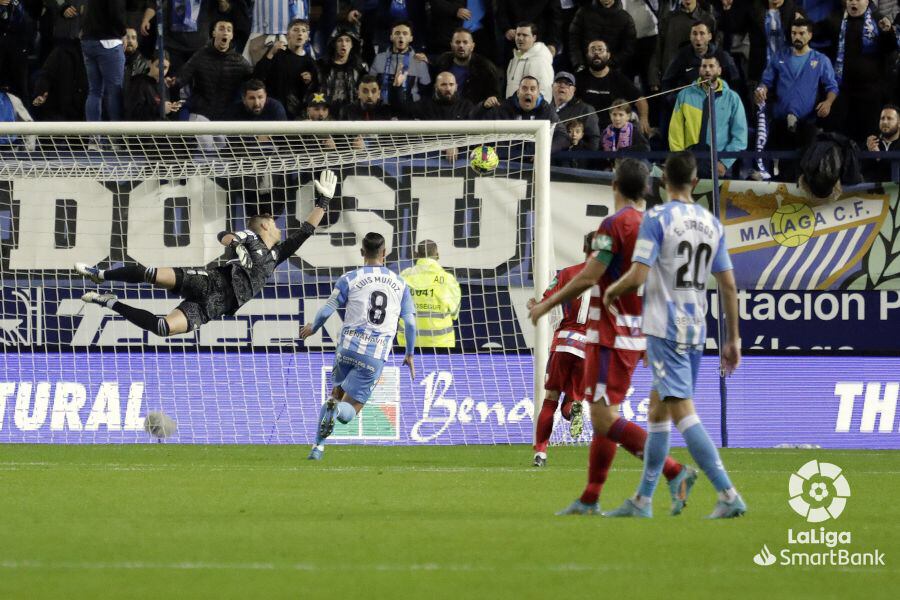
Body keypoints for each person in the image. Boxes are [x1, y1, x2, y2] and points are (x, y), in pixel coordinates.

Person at [529, 159, 696, 515]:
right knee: (603, 417)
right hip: (637, 335)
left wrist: (546, 307)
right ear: (648, 189)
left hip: (611, 336)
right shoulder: (655, 226)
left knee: (604, 419)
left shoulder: (611, 225)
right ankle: (590, 498)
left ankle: (675, 470)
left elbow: (591, 276)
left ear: (614, 185)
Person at [601, 151, 746, 519]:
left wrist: (611, 291)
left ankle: (728, 493)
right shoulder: (711, 223)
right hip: (695, 328)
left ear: (663, 181)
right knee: (657, 410)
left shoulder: (657, 218)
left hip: (666, 328)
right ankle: (643, 500)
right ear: (696, 182)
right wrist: (733, 338)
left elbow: (637, 274)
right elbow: (728, 285)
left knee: (682, 412)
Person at [75, 171, 337, 337]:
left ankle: (108, 302)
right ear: (266, 224)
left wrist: (323, 202)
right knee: (151, 274)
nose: (280, 228)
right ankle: (101, 274)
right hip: (209, 281)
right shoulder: (251, 237)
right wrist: (235, 244)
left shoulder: (276, 255)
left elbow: (304, 232)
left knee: (163, 328)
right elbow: (225, 235)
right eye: (276, 224)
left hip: (215, 305)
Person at [300, 232, 417, 461]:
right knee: (349, 411)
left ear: (362, 253)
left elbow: (327, 309)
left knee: (334, 396)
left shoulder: (349, 278)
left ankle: (318, 448)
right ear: (385, 253)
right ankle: (336, 413)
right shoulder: (401, 284)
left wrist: (313, 328)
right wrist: (409, 353)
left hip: (346, 350)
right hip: (374, 355)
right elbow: (411, 323)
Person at [526, 234, 593, 467]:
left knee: (550, 399)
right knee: (571, 401)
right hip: (590, 348)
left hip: (565, 342)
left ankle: (541, 453)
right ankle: (574, 409)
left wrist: (535, 306)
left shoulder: (567, 273)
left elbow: (546, 298)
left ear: (584, 248)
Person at [754, 18, 839, 179]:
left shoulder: (820, 60)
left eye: (801, 33)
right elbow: (765, 81)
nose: (797, 37)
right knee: (770, 162)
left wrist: (828, 102)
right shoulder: (780, 56)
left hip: (806, 123)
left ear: (810, 35)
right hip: (779, 122)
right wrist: (761, 90)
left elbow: (832, 87)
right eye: (794, 33)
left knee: (804, 166)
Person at [669, 54, 747, 178]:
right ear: (699, 70)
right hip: (690, 160)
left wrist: (725, 163)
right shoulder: (684, 95)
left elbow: (740, 136)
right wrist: (680, 161)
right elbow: (675, 132)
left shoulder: (732, 98)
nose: (707, 70)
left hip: (718, 160)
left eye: (711, 66)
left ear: (719, 70)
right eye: (704, 66)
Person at [176, 20, 253, 122]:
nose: (225, 32)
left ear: (232, 35)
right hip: (200, 113)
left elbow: (254, 80)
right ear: (214, 33)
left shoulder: (239, 61)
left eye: (229, 30)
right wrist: (172, 82)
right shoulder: (200, 55)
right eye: (221, 29)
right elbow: (181, 78)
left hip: (225, 117)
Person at [575, 39, 650, 132]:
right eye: (593, 50)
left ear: (608, 55)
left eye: (600, 49)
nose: (596, 53)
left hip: (614, 127)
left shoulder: (619, 78)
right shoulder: (578, 78)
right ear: (587, 55)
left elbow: (640, 100)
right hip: (586, 128)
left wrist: (644, 119)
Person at [398, 240, 462, 350]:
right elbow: (454, 313)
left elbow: (394, 309)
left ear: (416, 255)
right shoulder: (448, 280)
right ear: (437, 255)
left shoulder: (403, 277)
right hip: (441, 344)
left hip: (407, 344)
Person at [252, 18, 319, 119]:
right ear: (287, 35)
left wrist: (309, 82)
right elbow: (258, 76)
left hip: (296, 115)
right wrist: (270, 53)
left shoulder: (310, 63)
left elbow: (314, 93)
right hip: (272, 111)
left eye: (303, 31)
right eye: (296, 30)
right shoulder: (277, 53)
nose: (300, 33)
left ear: (307, 37)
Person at [661, 19, 740, 92]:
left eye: (702, 33)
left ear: (709, 36)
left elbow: (735, 82)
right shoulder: (682, 56)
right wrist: (678, 100)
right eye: (694, 34)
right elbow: (667, 83)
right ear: (690, 36)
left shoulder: (722, 56)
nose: (698, 38)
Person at [81, 0, 128, 122]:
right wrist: (123, 32)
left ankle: (94, 137)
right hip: (109, 42)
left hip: (88, 41)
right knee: (115, 91)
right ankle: (116, 136)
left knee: (94, 91)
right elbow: (115, 13)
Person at [431, 28, 502, 106]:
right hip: (445, 110)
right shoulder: (442, 61)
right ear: (451, 45)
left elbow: (495, 96)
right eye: (457, 42)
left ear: (472, 46)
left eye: (465, 42)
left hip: (473, 113)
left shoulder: (486, 67)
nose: (461, 45)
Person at [369, 21, 431, 104]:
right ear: (391, 37)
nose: (401, 36)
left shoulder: (419, 61)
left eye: (405, 33)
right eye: (397, 33)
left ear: (411, 38)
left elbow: (426, 90)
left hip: (409, 110)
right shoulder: (379, 58)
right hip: (383, 109)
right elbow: (370, 84)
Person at [568, 0, 637, 73]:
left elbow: (628, 48)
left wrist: (607, 64)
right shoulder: (583, 12)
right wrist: (579, 63)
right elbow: (573, 40)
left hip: (611, 71)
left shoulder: (626, 19)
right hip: (584, 68)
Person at [317, 26, 369, 109]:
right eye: (339, 40)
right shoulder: (321, 66)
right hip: (326, 112)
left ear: (352, 45)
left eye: (347, 40)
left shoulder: (360, 68)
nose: (343, 44)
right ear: (334, 44)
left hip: (351, 114)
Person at [551, 71, 600, 150]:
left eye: (568, 84)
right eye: (559, 82)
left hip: (572, 159)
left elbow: (593, 142)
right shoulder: (545, 108)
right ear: (552, 86)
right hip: (545, 158)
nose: (562, 86)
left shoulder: (586, 110)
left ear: (574, 90)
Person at [505, 22, 555, 100]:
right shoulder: (514, 59)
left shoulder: (540, 60)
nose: (520, 38)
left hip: (530, 111)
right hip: (512, 110)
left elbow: (545, 93)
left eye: (525, 35)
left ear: (534, 38)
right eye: (518, 35)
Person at [124, 52, 181, 120]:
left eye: (165, 68)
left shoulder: (164, 85)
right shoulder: (139, 82)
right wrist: (160, 109)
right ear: (150, 63)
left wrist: (170, 109)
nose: (161, 71)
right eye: (158, 66)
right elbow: (133, 112)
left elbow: (163, 113)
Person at [865, 104, 900, 181]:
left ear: (899, 123)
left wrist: (878, 156)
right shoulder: (872, 143)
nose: (884, 122)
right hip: (874, 191)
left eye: (889, 118)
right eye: (882, 118)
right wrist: (868, 154)